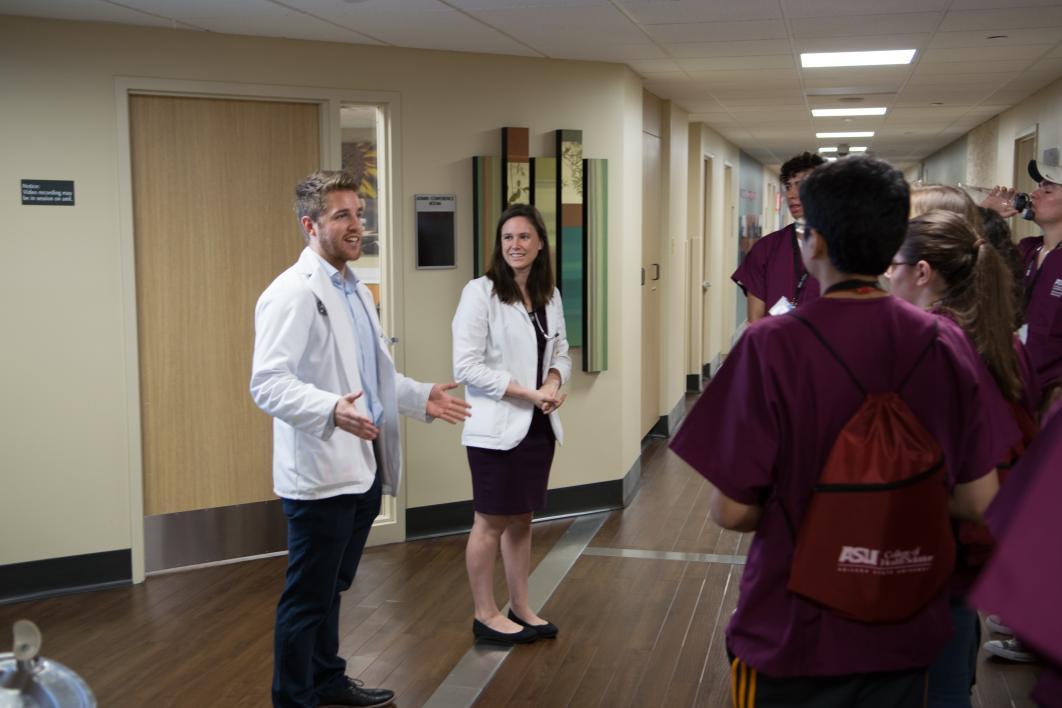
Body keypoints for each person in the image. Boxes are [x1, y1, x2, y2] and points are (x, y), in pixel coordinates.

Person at [670, 157, 1015, 708]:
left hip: (791, 627)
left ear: (813, 244)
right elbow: (979, 498)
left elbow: (731, 512)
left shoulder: (770, 347)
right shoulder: (944, 344)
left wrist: (820, 504)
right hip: (904, 624)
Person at [251, 170, 471, 708]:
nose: (357, 226)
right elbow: (268, 384)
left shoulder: (355, 291)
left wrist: (420, 397)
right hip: (320, 474)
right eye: (341, 216)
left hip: (362, 465)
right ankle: (293, 698)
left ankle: (326, 681)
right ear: (310, 225)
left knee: (331, 590)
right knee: (307, 598)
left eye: (359, 213)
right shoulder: (292, 295)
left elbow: (368, 377)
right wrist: (329, 409)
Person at [886, 209, 1041, 704]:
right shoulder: (999, 340)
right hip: (972, 560)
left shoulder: (932, 345)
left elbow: (957, 482)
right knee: (951, 674)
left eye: (894, 265)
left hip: (930, 557)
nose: (886, 276)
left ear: (923, 272)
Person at [452, 203, 571, 645]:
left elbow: (559, 351)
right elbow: (466, 366)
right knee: (490, 521)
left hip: (538, 427)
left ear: (540, 244)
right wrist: (526, 392)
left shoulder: (549, 295)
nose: (515, 246)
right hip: (496, 428)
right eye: (507, 238)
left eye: (524, 237)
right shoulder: (479, 293)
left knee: (522, 519)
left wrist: (556, 379)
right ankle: (485, 613)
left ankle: (520, 606)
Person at [982, 157, 1062, 409]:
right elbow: (970, 270)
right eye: (1037, 186)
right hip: (1018, 387)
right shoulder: (1026, 250)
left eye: (1047, 189)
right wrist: (986, 217)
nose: (1035, 194)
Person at [732, 152, 826, 322]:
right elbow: (755, 320)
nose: (791, 194)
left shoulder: (846, 248)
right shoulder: (766, 249)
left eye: (801, 185)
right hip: (777, 345)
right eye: (788, 186)